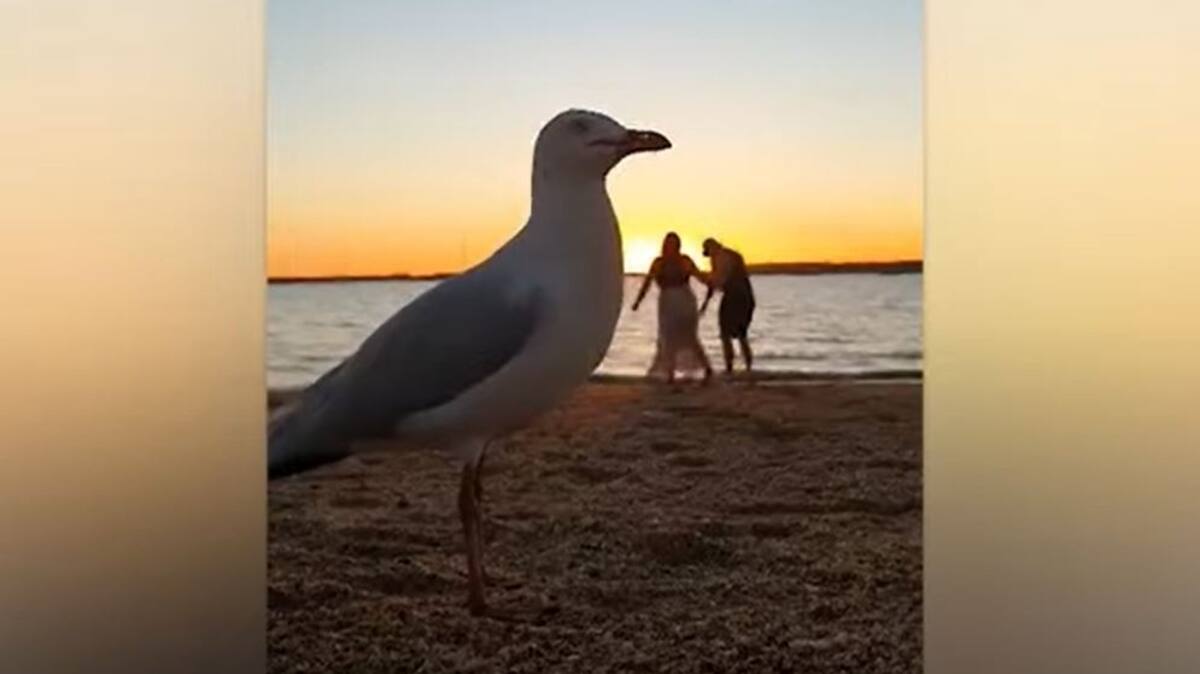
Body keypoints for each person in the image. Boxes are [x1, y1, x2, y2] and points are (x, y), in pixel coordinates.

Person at [632, 232, 713, 384]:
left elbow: (699, 276)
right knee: (668, 338)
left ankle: (706, 369)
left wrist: (711, 283)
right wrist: (638, 301)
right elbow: (647, 283)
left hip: (684, 300)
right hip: (668, 302)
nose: (671, 247)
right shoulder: (659, 263)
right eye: (669, 244)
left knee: (688, 337)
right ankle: (671, 373)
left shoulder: (684, 260)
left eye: (673, 243)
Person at [700, 237, 755, 374]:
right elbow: (715, 283)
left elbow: (718, 280)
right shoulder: (733, 255)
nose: (709, 257)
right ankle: (748, 367)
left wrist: (707, 282)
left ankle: (729, 366)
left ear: (711, 248)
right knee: (742, 334)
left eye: (708, 252)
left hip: (734, 297)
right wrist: (705, 303)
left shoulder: (720, 257)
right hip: (746, 297)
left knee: (726, 334)